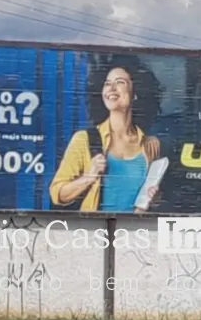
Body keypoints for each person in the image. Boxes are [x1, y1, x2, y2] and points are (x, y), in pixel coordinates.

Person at [49, 56, 164, 213]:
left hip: (134, 228)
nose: (111, 88)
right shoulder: (84, 139)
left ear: (136, 93)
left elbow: (150, 197)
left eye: (120, 82)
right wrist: (89, 177)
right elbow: (57, 193)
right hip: (96, 228)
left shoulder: (151, 144)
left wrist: (155, 198)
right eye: (107, 83)